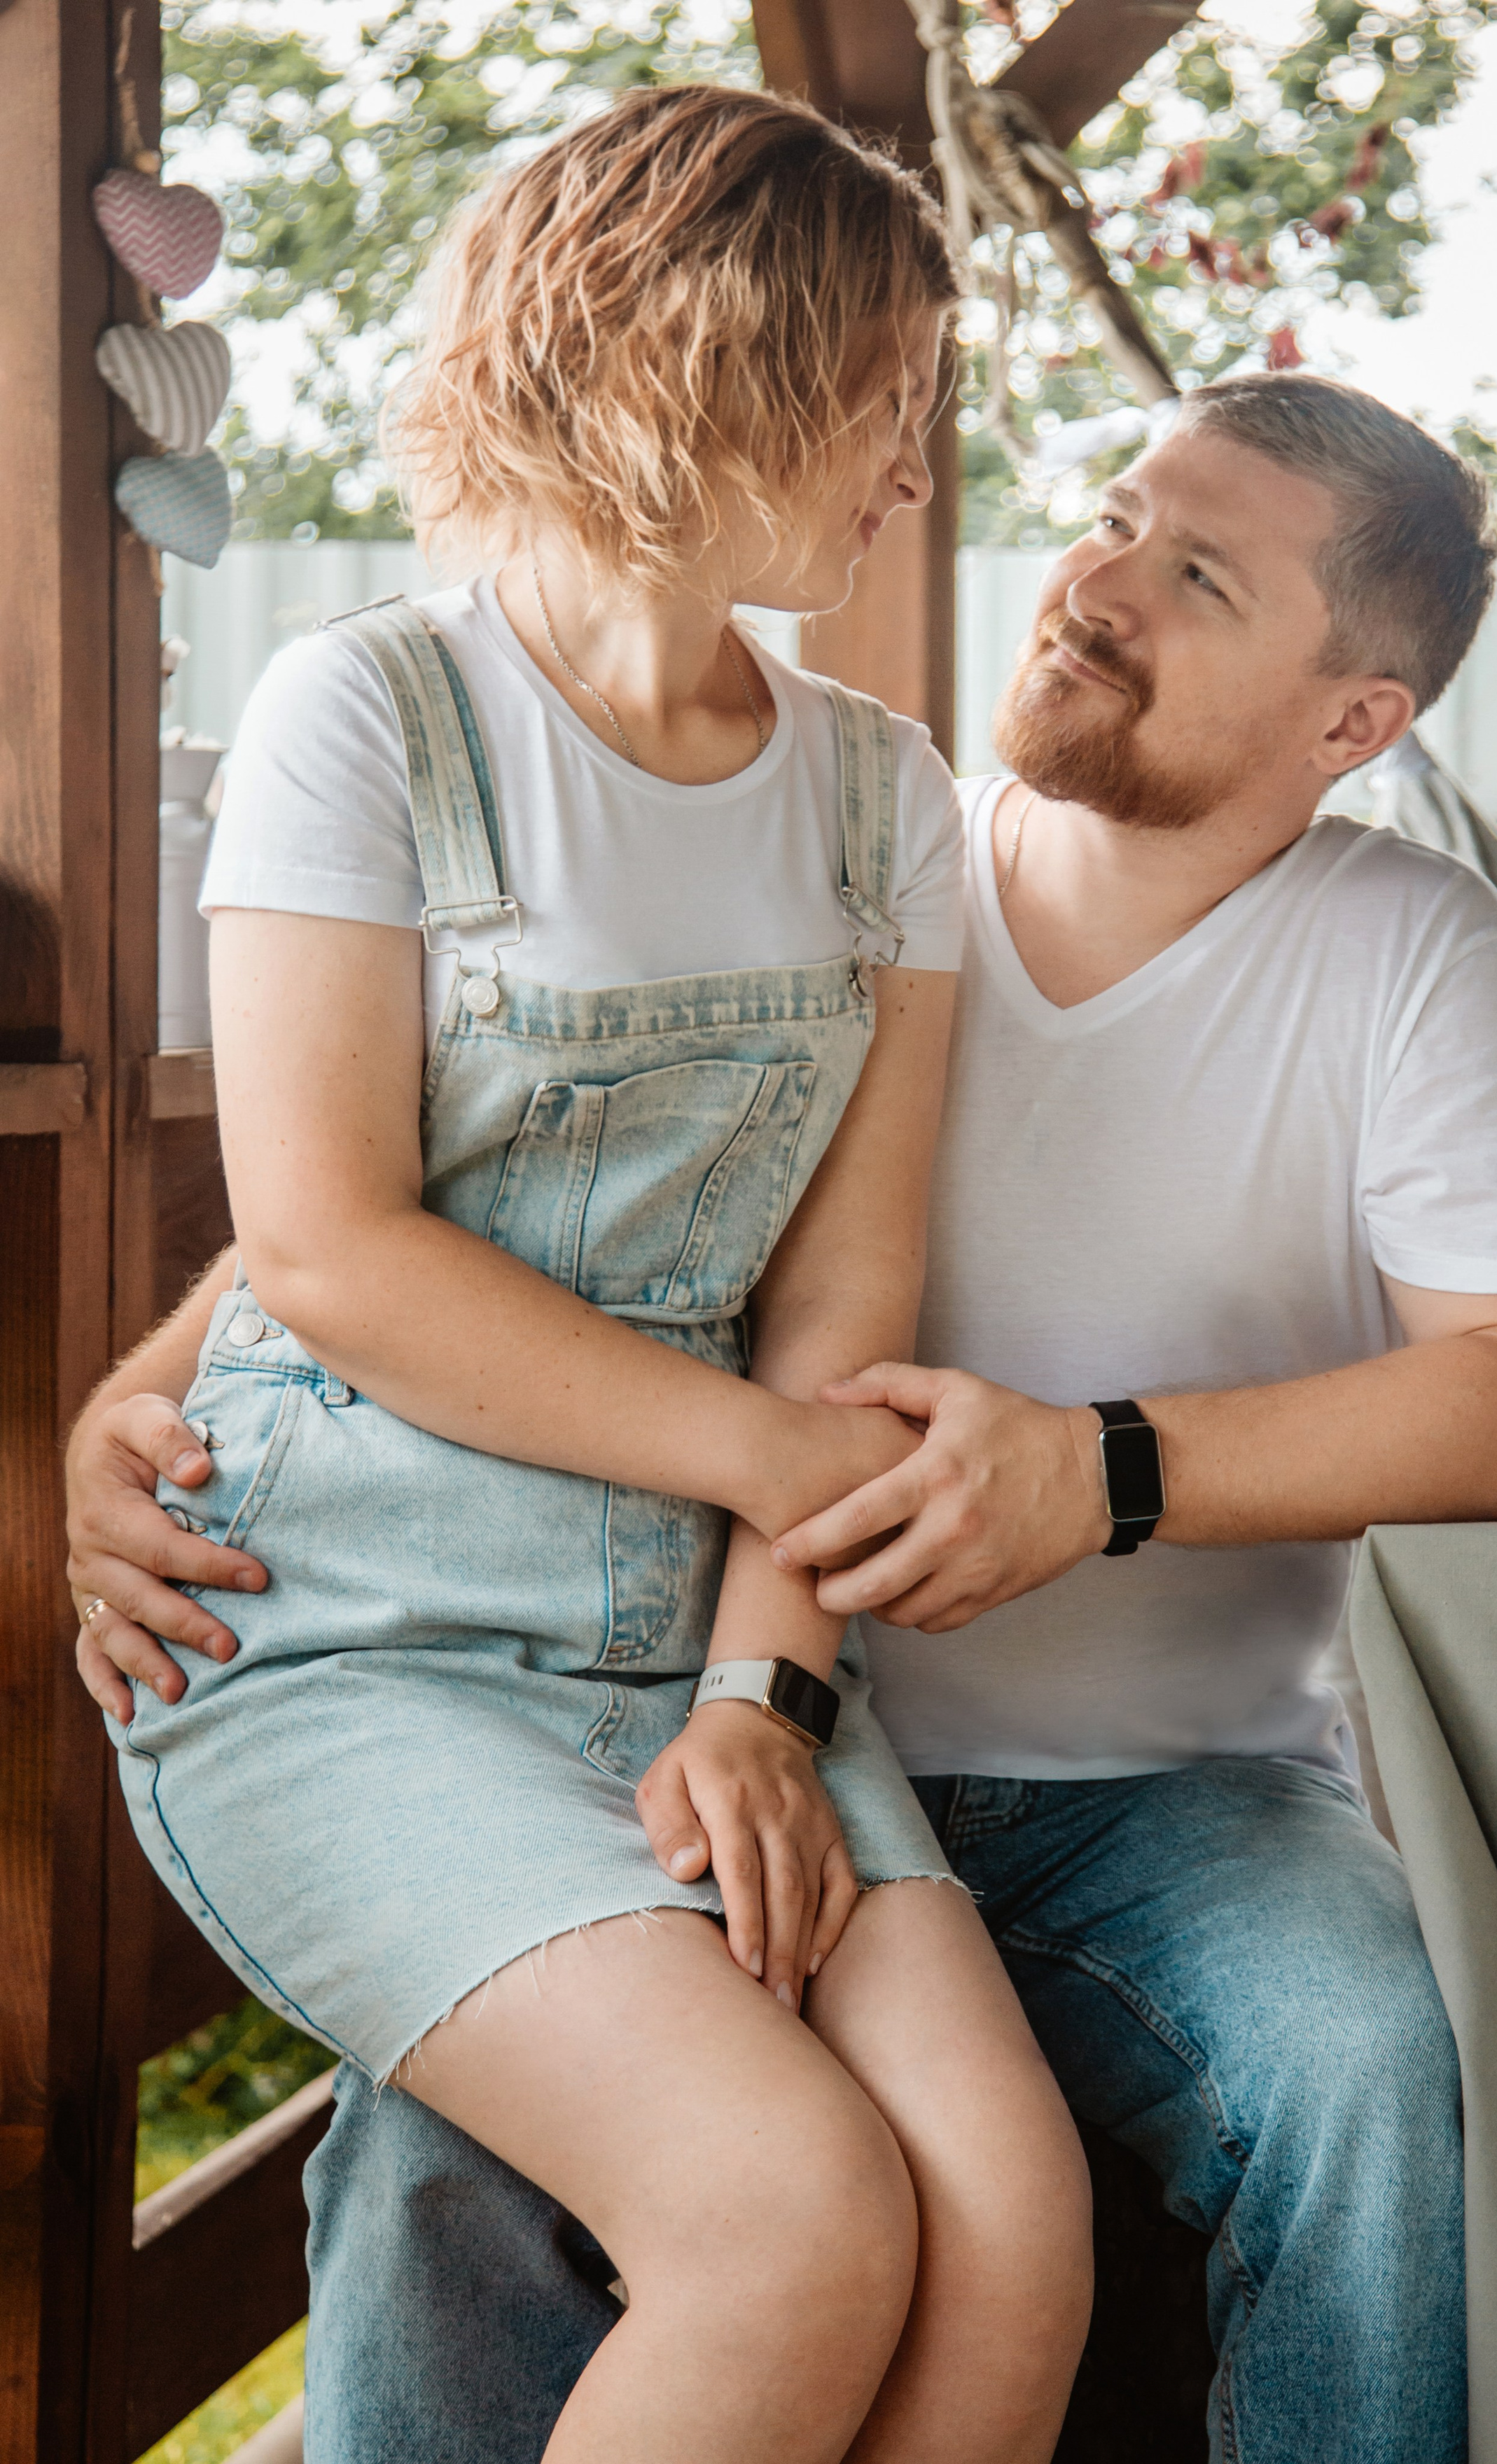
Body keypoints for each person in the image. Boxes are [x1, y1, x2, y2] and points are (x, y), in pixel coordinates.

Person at [71, 372, 1497, 2464]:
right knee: (445, 2162)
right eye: (1109, 516)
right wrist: (156, 1391)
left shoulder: (1411, 956)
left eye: (1194, 575)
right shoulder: (854, 836)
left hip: (1169, 1795)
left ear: (1354, 720)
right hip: (665, 1714)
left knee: (1376, 2075)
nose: (1090, 588)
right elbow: (464, 1182)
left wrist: (1105, 1473)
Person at [75, 84, 1095, 2464]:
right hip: (338, 1640)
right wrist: (796, 1464)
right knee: (791, 2215)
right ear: (703, 368)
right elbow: (332, 1251)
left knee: (1008, 2230)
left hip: (713, 1642)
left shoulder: (883, 797)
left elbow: (844, 1318)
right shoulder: (375, 717)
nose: (910, 471)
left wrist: (767, 1695)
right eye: (882, 400)